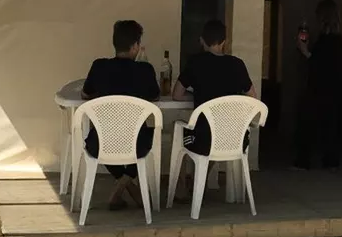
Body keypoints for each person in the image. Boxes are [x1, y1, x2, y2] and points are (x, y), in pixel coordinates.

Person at [82, 20, 160, 210]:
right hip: (136, 143)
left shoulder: (99, 66)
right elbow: (155, 95)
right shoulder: (145, 70)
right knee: (151, 138)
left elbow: (85, 94)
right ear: (135, 46)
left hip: (101, 143)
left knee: (99, 139)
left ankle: (121, 186)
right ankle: (126, 185)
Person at [172, 19, 256, 156]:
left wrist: (198, 94)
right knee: (212, 140)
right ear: (224, 42)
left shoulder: (195, 63)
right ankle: (202, 175)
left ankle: (190, 177)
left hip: (203, 140)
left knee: (180, 133)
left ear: (202, 41)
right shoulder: (238, 65)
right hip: (235, 140)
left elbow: (176, 95)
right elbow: (252, 97)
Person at [293, 0, 342, 170]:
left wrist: (305, 51)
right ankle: (330, 160)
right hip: (333, 89)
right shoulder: (337, 40)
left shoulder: (327, 40)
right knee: (330, 124)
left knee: (307, 122)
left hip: (319, 88)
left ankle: (303, 161)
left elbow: (319, 63)